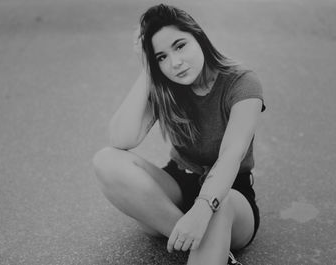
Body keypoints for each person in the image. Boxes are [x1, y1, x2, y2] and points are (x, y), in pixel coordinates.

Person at [93, 4, 265, 265]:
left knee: (219, 203)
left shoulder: (242, 82)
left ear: (198, 36)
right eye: (161, 57)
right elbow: (121, 140)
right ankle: (196, 238)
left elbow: (232, 154)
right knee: (106, 160)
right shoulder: (166, 85)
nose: (175, 63)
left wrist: (203, 207)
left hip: (229, 191)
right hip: (177, 185)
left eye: (180, 45)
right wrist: (148, 70)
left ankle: (199, 234)